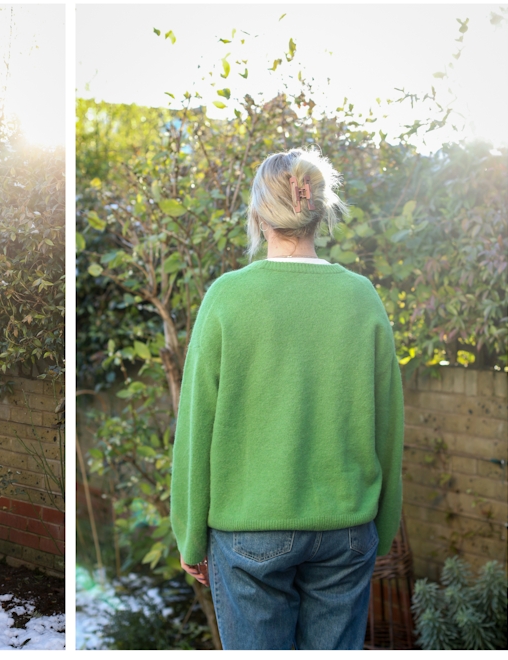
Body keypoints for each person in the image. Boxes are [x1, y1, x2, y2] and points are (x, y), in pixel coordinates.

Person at [169, 148, 404, 650]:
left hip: (250, 532)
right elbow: (389, 427)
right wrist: (380, 527)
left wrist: (190, 532)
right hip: (346, 531)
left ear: (258, 216)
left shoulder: (227, 297)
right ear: (319, 211)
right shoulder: (363, 297)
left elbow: (196, 425)